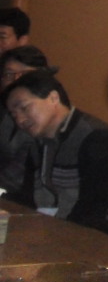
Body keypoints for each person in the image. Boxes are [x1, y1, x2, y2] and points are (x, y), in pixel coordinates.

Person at [2, 68, 108, 240]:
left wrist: (48, 234)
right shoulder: (36, 141)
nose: (20, 120)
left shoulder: (95, 137)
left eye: (24, 108)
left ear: (53, 98)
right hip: (60, 229)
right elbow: (25, 195)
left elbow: (93, 209)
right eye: (14, 115)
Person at [0, 45, 50, 204]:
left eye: (25, 75)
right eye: (9, 74)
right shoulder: (4, 111)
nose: (16, 81)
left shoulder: (44, 119)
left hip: (28, 202)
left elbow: (14, 180)